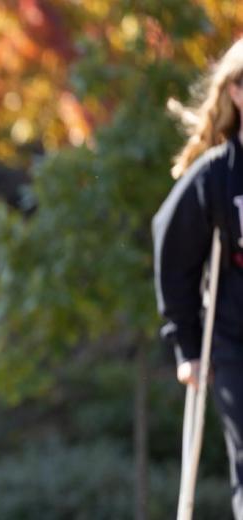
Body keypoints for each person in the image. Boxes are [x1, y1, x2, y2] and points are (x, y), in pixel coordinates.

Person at [154, 37, 243, 519]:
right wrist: (187, 346)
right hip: (233, 339)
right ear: (235, 93)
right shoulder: (216, 176)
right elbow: (174, 255)